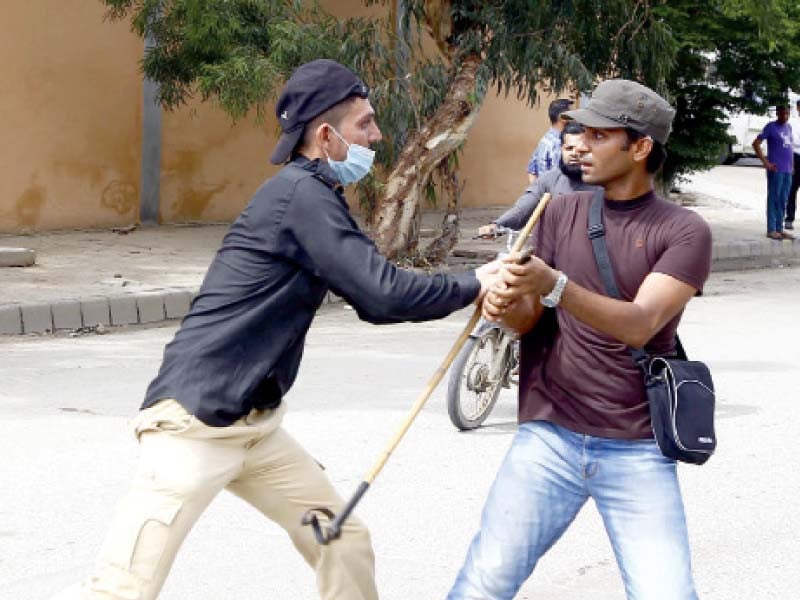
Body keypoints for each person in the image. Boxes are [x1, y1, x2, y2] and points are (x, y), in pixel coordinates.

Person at [58, 59, 497, 600]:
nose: (377, 136)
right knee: (124, 585)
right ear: (327, 135)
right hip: (195, 423)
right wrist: (477, 281)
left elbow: (371, 294)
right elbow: (381, 294)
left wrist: (471, 285)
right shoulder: (300, 197)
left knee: (343, 540)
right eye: (366, 124)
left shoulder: (315, 197)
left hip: (257, 430)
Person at [447, 79, 712, 600]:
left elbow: (641, 322)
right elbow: (529, 319)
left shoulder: (683, 231)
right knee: (483, 584)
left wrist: (554, 284)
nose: (579, 144)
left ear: (640, 148)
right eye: (579, 132)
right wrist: (506, 303)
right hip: (548, 437)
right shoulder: (559, 211)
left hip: (635, 447)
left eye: (598, 135)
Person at [478, 121, 597, 237]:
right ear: (561, 149)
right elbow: (522, 209)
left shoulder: (603, 181)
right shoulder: (549, 179)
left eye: (580, 149)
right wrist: (496, 225)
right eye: (569, 148)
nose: (574, 153)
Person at [753, 104, 795, 240]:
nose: (785, 116)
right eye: (782, 114)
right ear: (777, 113)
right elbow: (756, 143)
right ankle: (771, 229)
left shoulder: (789, 127)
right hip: (775, 169)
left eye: (787, 114)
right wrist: (765, 162)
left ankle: (779, 229)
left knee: (783, 200)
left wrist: (792, 166)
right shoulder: (771, 127)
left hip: (788, 170)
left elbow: (790, 148)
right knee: (774, 198)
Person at [526, 98, 574, 184]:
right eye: (571, 114)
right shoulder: (558, 144)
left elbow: (532, 171)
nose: (574, 118)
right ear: (562, 117)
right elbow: (559, 180)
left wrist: (538, 194)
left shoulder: (544, 140)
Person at [786, 99, 800, 230]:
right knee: (792, 190)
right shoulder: (792, 123)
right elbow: (791, 142)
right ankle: (789, 218)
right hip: (795, 156)